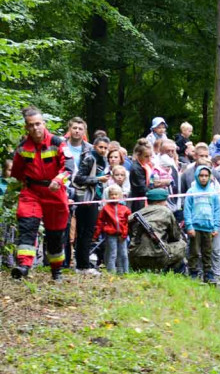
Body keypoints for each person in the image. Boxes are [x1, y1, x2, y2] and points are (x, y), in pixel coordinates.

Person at [10, 107, 72, 281]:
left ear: (43, 123)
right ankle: (23, 267)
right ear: (26, 128)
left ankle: (56, 270)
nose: (35, 128)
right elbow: (17, 172)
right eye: (31, 125)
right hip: (32, 193)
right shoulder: (23, 148)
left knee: (55, 236)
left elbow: (69, 167)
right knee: (27, 228)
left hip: (55, 193)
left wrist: (58, 181)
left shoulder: (57, 142)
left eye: (38, 124)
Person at [72, 134, 111, 274]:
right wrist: (97, 179)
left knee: (88, 232)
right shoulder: (90, 158)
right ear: (94, 146)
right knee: (84, 232)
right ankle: (82, 265)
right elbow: (78, 178)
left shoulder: (103, 160)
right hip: (85, 200)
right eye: (100, 147)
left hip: (95, 198)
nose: (103, 150)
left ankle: (83, 263)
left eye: (105, 148)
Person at [128, 188, 187, 271]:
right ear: (160, 201)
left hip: (134, 256)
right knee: (182, 245)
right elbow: (175, 236)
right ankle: (174, 275)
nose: (166, 204)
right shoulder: (166, 211)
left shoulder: (136, 214)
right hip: (157, 256)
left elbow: (129, 233)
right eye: (165, 201)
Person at [183, 164, 220, 282]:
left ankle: (208, 273)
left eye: (206, 175)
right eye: (201, 176)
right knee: (194, 251)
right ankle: (193, 272)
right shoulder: (192, 191)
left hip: (208, 227)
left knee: (207, 252)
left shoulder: (213, 192)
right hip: (195, 227)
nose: (204, 178)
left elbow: (217, 210)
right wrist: (189, 226)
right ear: (197, 176)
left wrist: (216, 226)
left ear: (210, 177)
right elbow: (187, 209)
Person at [93, 185, 130, 275]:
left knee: (124, 254)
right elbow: (100, 222)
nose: (114, 196)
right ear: (108, 196)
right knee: (112, 253)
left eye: (116, 194)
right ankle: (111, 273)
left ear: (120, 195)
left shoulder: (125, 209)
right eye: (111, 195)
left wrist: (124, 234)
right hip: (110, 234)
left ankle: (124, 272)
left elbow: (127, 223)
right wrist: (95, 235)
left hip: (122, 235)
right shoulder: (106, 208)